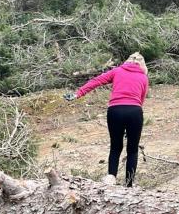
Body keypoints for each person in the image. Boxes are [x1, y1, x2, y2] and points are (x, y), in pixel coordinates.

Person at [64, 52, 149, 187]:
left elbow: (96, 81)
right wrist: (133, 122)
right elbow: (141, 99)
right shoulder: (143, 77)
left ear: (127, 62)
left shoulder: (117, 71)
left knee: (115, 147)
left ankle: (111, 180)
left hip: (115, 111)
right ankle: (129, 185)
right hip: (134, 112)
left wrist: (78, 93)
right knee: (132, 150)